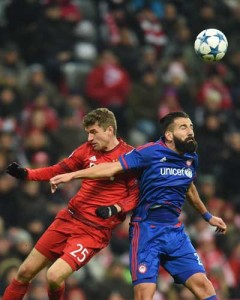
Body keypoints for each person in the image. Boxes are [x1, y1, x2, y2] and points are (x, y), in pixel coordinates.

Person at [50, 111, 227, 300]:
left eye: (191, 126)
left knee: (205, 287)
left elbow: (189, 186)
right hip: (146, 231)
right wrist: (73, 175)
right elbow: (112, 167)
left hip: (174, 232)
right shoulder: (149, 152)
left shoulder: (191, 158)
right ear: (169, 135)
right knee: (144, 295)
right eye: (183, 127)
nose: (190, 131)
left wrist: (208, 216)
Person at [3, 108, 139, 300]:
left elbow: (135, 195)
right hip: (68, 218)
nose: (90, 138)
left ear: (109, 130)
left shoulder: (130, 157)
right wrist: (27, 174)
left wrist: (116, 208)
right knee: (24, 272)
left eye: (94, 132)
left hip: (93, 231)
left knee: (53, 275)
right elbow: (59, 169)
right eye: (88, 133)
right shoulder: (86, 149)